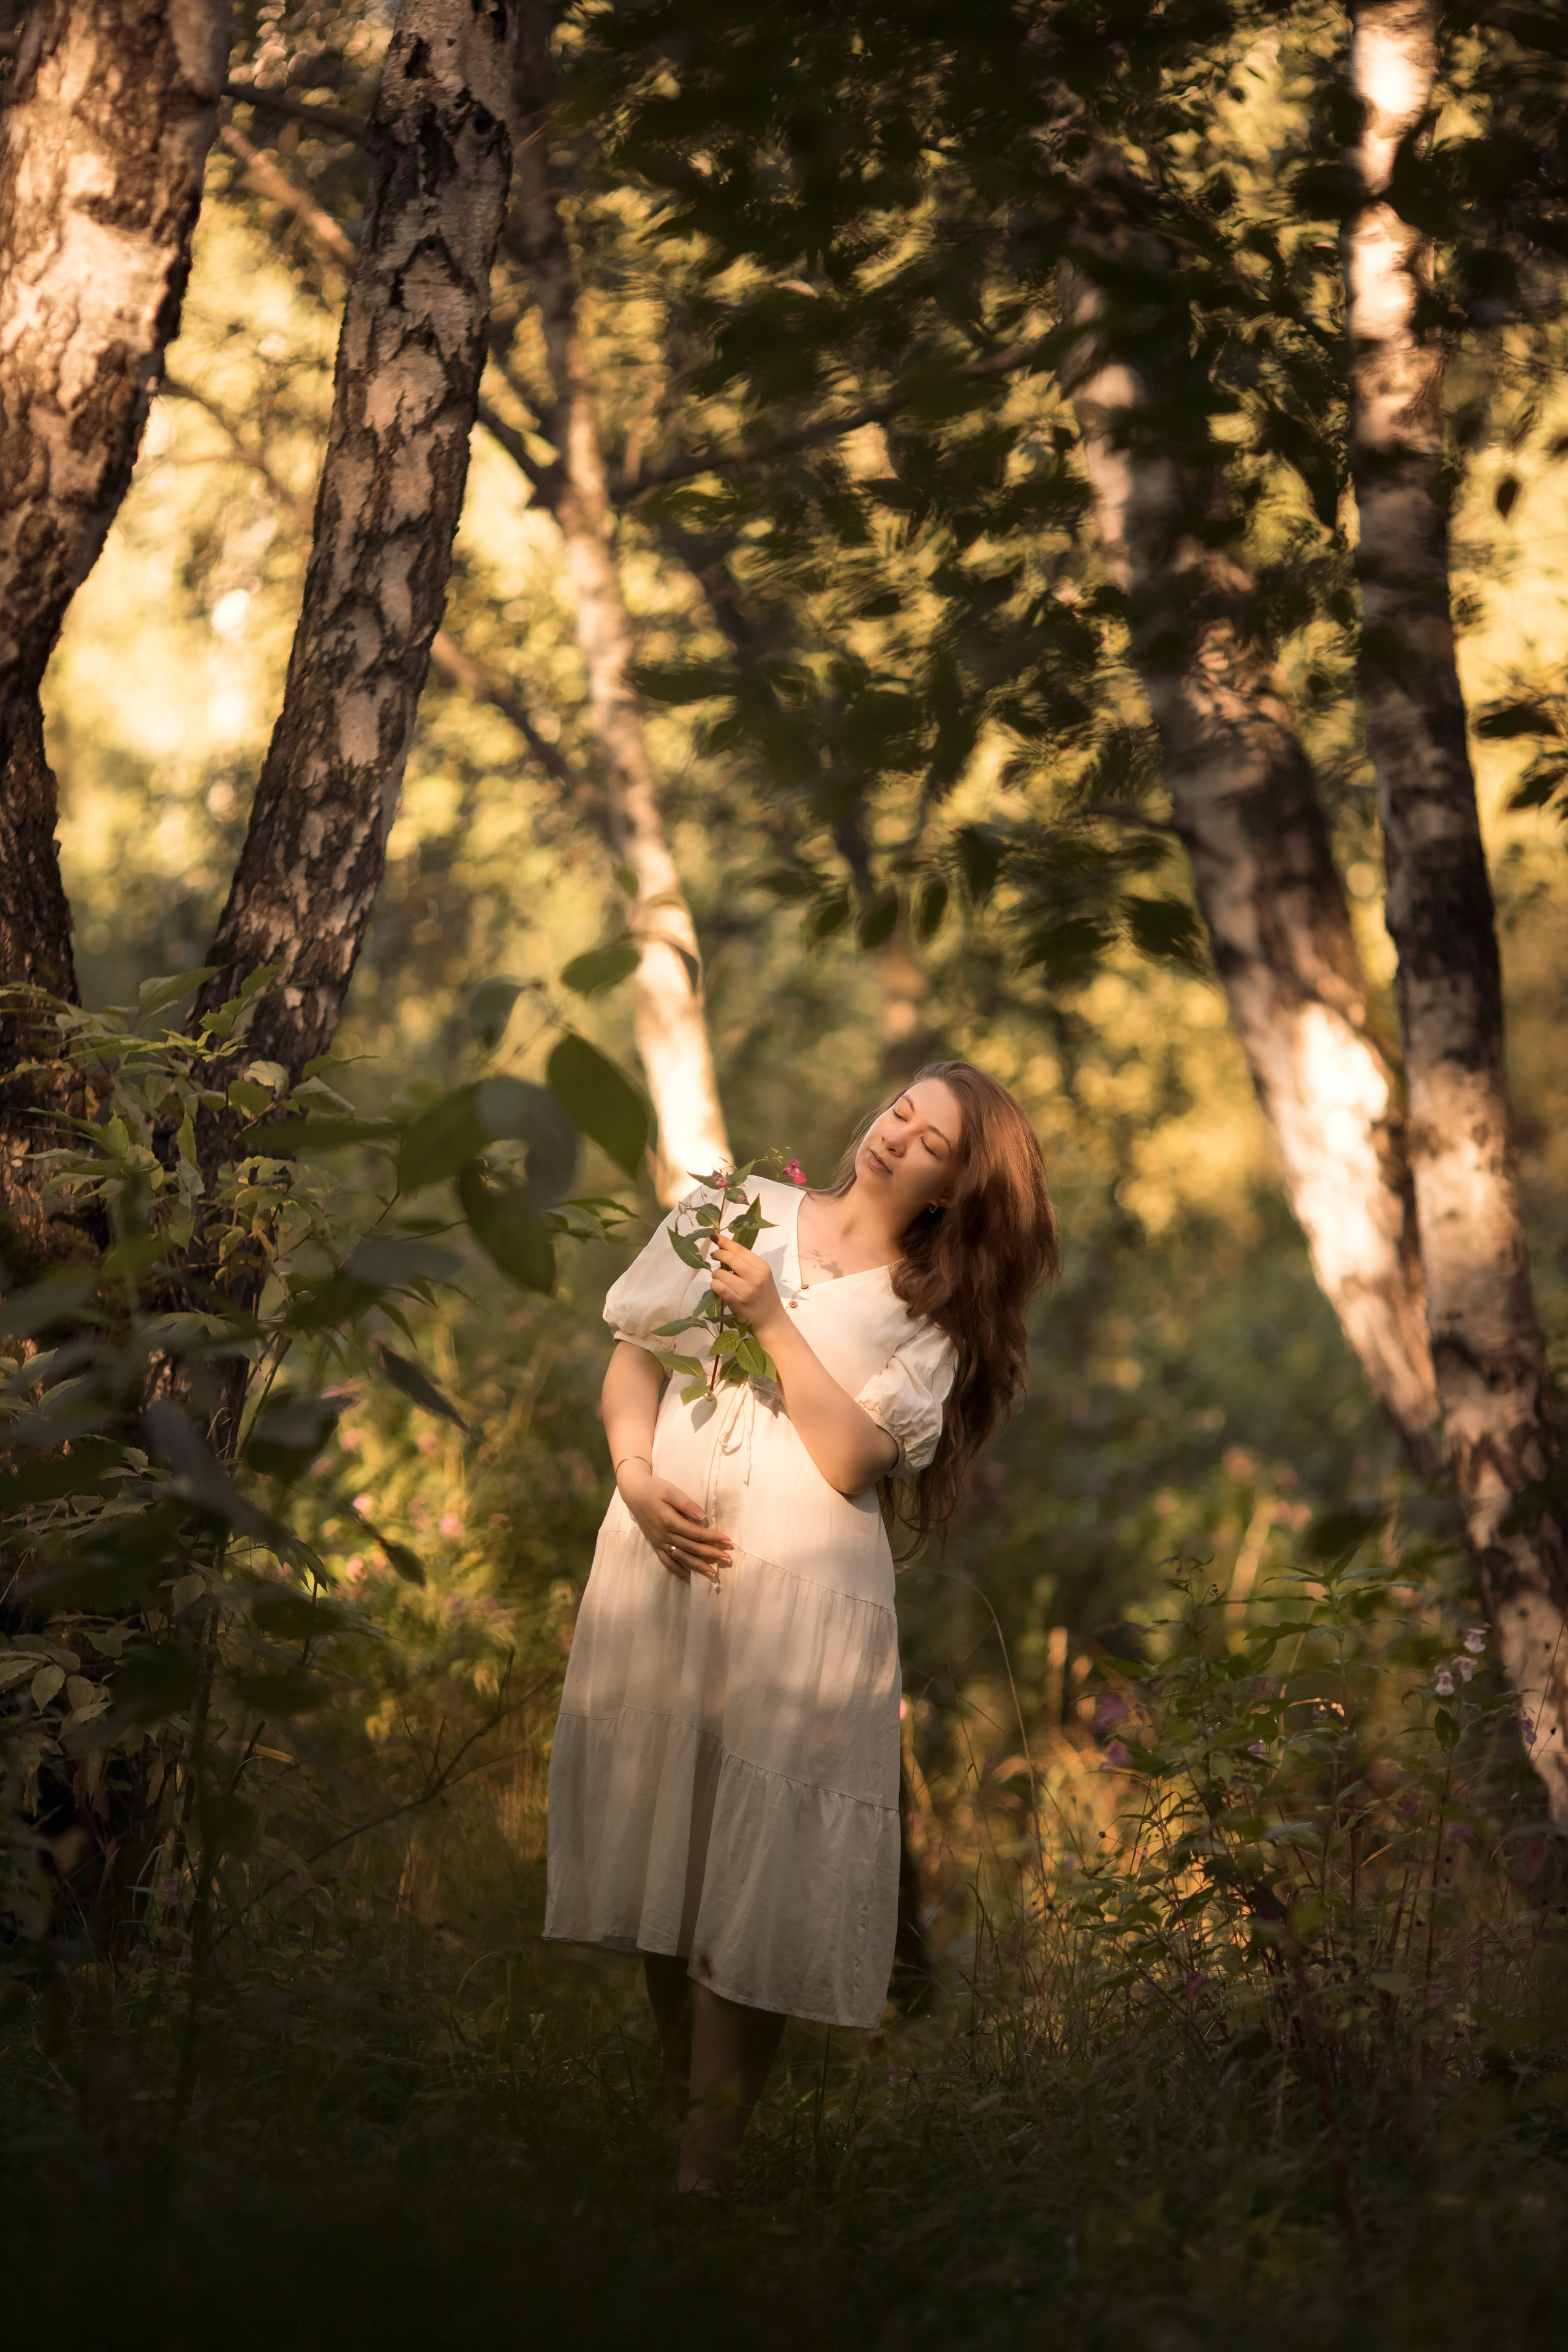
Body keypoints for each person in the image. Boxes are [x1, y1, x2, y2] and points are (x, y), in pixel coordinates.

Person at [544, 1060, 1060, 2192]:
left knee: (754, 1867)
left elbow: (849, 1458)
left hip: (800, 1602)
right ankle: (690, 2121)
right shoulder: (736, 1208)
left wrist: (773, 1317)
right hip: (662, 1559)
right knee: (668, 1854)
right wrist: (633, 1475)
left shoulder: (934, 1313)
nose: (896, 1134)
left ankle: (705, 2172)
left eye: (931, 1140)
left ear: (954, 1187)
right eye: (901, 1110)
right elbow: (634, 1364)